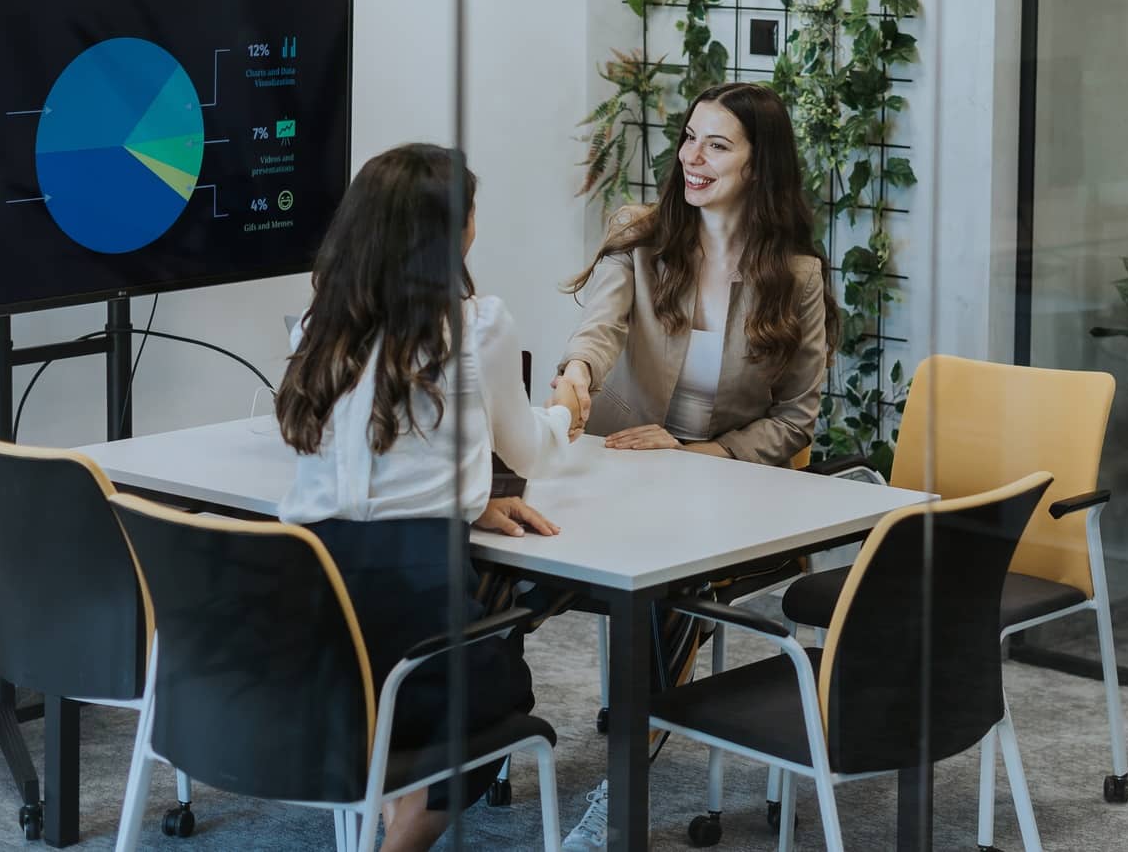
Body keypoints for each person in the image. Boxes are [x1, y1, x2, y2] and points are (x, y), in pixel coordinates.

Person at [549, 82, 838, 850]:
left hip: (726, 495)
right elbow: (598, 331)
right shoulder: (639, 236)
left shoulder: (797, 276)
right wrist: (575, 379)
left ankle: (616, 799)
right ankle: (465, 751)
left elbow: (796, 418)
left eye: (717, 144)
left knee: (666, 596)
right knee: (503, 562)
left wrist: (700, 451)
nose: (692, 158)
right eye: (688, 138)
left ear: (759, 164)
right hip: (615, 473)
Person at [276, 143, 573, 852]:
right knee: (503, 686)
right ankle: (400, 841)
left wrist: (465, 505)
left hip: (302, 641)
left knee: (430, 684)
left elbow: (370, 472)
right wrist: (566, 405)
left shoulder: (318, 329)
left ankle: (391, 804)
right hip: (413, 627)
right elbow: (526, 449)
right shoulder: (477, 324)